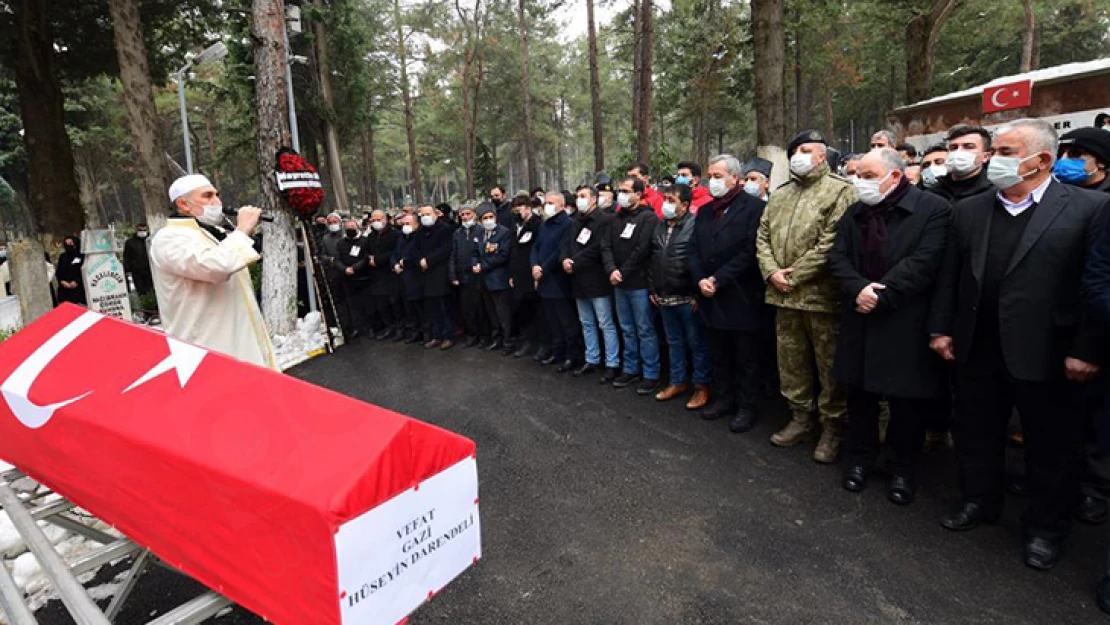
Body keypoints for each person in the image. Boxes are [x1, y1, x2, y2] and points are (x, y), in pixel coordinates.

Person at [929, 118, 1109, 570]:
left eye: (1007, 152)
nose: (994, 160)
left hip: (1049, 352)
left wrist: (1087, 349)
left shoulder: (1089, 208)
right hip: (977, 346)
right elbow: (950, 276)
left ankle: (1046, 528)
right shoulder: (971, 210)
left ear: (1042, 160)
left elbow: (1096, 283)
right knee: (975, 431)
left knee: (1051, 447)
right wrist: (940, 328)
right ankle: (979, 500)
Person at [828, 148, 952, 504]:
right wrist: (859, 289)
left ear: (894, 177)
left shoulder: (932, 210)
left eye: (867, 176)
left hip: (904, 319)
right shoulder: (855, 213)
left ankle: (902, 468)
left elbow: (925, 261)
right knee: (860, 397)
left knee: (905, 404)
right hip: (860, 315)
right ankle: (859, 460)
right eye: (858, 175)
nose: (859, 183)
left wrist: (884, 294)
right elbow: (837, 257)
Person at [758, 130, 857, 464]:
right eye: (796, 150)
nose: (800, 155)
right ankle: (800, 418)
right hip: (782, 296)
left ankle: (832, 427)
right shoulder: (781, 194)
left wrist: (795, 275)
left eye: (808, 150)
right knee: (791, 362)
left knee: (828, 365)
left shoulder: (841, 191)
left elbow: (832, 242)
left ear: (823, 155)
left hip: (820, 297)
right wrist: (772, 272)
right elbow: (763, 237)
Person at [149, 174, 276, 369]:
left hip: (239, 342)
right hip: (204, 348)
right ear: (183, 204)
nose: (216, 201)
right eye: (207, 196)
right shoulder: (168, 239)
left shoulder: (212, 234)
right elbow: (216, 266)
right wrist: (241, 231)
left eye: (217, 195)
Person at [690, 155, 767, 431]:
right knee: (718, 352)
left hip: (739, 293)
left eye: (719, 176)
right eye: (711, 175)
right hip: (709, 295)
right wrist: (700, 279)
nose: (713, 181)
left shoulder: (754, 208)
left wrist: (717, 279)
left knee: (745, 357)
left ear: (736, 178)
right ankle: (724, 399)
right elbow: (694, 250)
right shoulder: (706, 211)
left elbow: (750, 251)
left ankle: (747, 407)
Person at [649, 182, 711, 410]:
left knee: (697, 344)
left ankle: (701, 386)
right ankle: (677, 382)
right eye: (665, 199)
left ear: (685, 205)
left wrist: (696, 293)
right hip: (664, 296)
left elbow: (700, 260)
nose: (666, 204)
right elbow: (653, 258)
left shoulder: (695, 226)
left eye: (671, 200)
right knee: (674, 342)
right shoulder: (659, 225)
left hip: (687, 297)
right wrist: (653, 289)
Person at [603, 177, 662, 395]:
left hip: (638, 283)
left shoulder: (648, 218)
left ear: (639, 193)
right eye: (620, 191)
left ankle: (651, 373)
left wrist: (622, 272)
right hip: (618, 283)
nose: (622, 195)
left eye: (626, 191)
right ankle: (630, 368)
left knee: (645, 329)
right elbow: (605, 246)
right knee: (626, 328)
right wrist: (611, 270)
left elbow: (642, 249)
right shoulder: (615, 219)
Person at [563, 184, 619, 381]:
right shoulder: (575, 221)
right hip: (577, 280)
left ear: (594, 199)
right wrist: (565, 259)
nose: (579, 200)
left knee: (605, 323)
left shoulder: (604, 220)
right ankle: (592, 358)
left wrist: (575, 262)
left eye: (583, 196)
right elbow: (567, 244)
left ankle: (612, 363)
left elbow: (597, 248)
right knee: (586, 323)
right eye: (578, 196)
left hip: (596, 279)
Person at [531, 191, 580, 371]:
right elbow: (536, 247)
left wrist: (542, 268)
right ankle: (557, 352)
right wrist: (534, 265)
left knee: (566, 321)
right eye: (546, 203)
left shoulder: (568, 224)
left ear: (561, 205)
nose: (547, 206)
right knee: (552, 321)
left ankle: (571, 355)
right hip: (544, 280)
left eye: (552, 203)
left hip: (558, 280)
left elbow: (560, 251)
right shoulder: (545, 224)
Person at [510, 195, 548, 359]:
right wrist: (511, 274)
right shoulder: (517, 226)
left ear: (527, 207)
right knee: (523, 311)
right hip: (518, 276)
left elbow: (538, 250)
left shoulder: (538, 225)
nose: (517, 214)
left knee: (537, 311)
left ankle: (542, 343)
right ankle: (527, 341)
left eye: (519, 210)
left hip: (531, 274)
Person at [475, 203, 514, 354]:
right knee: (491, 312)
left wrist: (483, 265)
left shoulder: (504, 233)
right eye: (485, 218)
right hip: (484, 280)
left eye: (491, 217)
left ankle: (507, 341)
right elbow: (474, 252)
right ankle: (496, 338)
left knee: (502, 313)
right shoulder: (480, 234)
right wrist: (475, 263)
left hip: (499, 279)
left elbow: (503, 255)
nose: (488, 220)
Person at [416, 205, 454, 350]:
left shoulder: (445, 229)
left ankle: (448, 336)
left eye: (428, 214)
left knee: (445, 307)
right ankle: (436, 335)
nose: (425, 217)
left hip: (441, 273)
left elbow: (445, 249)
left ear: (436, 214)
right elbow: (415, 248)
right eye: (422, 214)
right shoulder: (421, 231)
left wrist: (428, 260)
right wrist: (420, 259)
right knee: (433, 309)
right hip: (426, 274)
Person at [450, 202, 488, 347]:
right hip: (462, 276)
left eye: (468, 214)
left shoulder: (481, 230)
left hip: (477, 275)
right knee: (467, 308)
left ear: (474, 215)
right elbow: (453, 254)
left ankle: (484, 336)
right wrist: (453, 274)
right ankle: (472, 334)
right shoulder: (457, 233)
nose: (465, 217)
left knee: (480, 307)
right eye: (462, 215)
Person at [929, 124, 994, 203]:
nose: (958, 152)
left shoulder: (995, 193)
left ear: (986, 156)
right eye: (953, 147)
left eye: (968, 147)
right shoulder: (932, 193)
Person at [365, 210, 401, 340]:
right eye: (373, 220)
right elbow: (366, 251)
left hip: (390, 273)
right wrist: (369, 259)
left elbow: (395, 251)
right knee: (381, 304)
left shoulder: (395, 234)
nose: (376, 222)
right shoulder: (371, 236)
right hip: (375, 275)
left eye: (378, 219)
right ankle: (388, 327)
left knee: (394, 303)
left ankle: (399, 328)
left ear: (385, 220)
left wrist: (378, 259)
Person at [335, 218, 373, 340]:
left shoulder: (365, 241)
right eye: (347, 227)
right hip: (347, 278)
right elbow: (337, 259)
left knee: (367, 303)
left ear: (357, 227)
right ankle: (357, 327)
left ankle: (370, 327)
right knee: (352, 305)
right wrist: (344, 269)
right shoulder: (341, 243)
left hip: (363, 277)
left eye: (352, 226)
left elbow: (366, 257)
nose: (350, 229)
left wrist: (354, 268)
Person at [392, 213, 425, 344]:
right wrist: (394, 264)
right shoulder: (401, 237)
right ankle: (414, 331)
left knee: (420, 309)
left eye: (408, 224)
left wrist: (404, 262)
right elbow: (394, 253)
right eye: (403, 224)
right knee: (409, 308)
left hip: (416, 276)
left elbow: (418, 255)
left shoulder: (419, 237)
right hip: (402, 277)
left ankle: (425, 333)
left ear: (416, 225)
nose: (405, 227)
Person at [1054, 127, 1110, 193]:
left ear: (1101, 162)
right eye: (1059, 154)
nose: (1063, 159)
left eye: (1074, 153)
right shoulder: (1052, 193)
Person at [55, 234, 86, 306]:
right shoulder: (63, 256)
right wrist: (62, 281)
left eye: (71, 243)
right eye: (67, 244)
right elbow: (59, 271)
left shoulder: (82, 256)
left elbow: (82, 271)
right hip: (65, 291)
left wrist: (77, 282)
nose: (69, 246)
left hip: (79, 290)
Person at [123, 224, 154, 297]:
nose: (142, 232)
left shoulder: (151, 241)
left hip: (150, 270)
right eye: (140, 230)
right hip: (137, 271)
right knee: (140, 290)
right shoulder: (130, 242)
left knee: (151, 289)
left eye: (144, 230)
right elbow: (127, 257)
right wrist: (127, 270)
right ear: (136, 230)